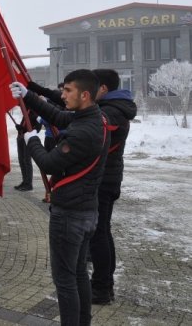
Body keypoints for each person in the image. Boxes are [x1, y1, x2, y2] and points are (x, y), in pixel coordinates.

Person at [11, 69, 109, 326]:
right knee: (77, 275)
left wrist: (31, 140)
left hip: (70, 215)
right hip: (85, 211)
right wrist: (28, 95)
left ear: (85, 95)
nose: (62, 95)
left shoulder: (84, 131)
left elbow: (49, 163)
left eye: (68, 91)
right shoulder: (93, 117)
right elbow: (59, 116)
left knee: (65, 281)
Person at [89, 69, 137, 305]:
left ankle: (102, 287)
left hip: (103, 180)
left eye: (92, 86)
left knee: (100, 234)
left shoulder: (110, 113)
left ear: (104, 89)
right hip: (108, 178)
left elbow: (90, 140)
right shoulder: (114, 107)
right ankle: (102, 283)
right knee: (102, 232)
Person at [14, 110, 40, 191]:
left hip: (28, 139)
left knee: (27, 161)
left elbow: (37, 129)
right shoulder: (27, 111)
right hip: (20, 137)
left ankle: (29, 183)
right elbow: (23, 124)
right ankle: (24, 181)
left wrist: (24, 129)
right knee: (21, 160)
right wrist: (19, 127)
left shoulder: (36, 113)